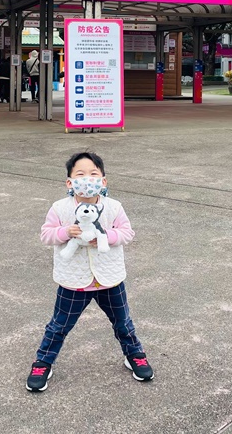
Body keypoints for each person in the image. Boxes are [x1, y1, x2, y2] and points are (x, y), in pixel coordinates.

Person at [26, 152, 153, 393]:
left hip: (109, 279)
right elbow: (46, 235)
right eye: (80, 174)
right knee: (59, 326)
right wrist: (66, 232)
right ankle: (43, 362)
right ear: (69, 182)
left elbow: (127, 233)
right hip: (74, 281)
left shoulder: (114, 207)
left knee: (123, 322)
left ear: (103, 181)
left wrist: (107, 236)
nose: (87, 179)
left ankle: (134, 354)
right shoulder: (59, 208)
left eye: (93, 174)